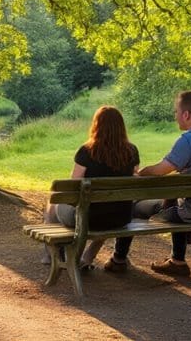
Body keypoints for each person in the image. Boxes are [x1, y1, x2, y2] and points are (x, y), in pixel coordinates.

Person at [128, 90, 191, 277]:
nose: (175, 116)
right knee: (174, 201)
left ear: (186, 114)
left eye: (176, 112)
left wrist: (140, 173)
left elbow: (161, 170)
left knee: (136, 208)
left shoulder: (188, 140)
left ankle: (121, 259)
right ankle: (181, 248)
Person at [42, 105, 140, 272]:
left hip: (88, 219)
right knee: (106, 209)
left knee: (53, 202)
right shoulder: (131, 151)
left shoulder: (87, 151)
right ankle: (87, 257)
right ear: (121, 127)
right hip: (121, 217)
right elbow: (135, 176)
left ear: (96, 125)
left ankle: (52, 254)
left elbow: (73, 186)